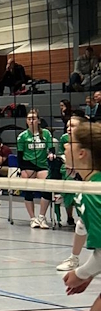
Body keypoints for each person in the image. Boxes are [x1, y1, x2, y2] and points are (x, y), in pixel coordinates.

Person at [53, 119, 101, 311]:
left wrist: (79, 274)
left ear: (82, 153)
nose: (64, 149)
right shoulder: (91, 184)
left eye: (69, 144)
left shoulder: (93, 191)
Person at [57, 114, 87, 272]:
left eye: (73, 125)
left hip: (95, 185)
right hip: (86, 185)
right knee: (82, 223)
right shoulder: (69, 145)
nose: (69, 128)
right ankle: (74, 259)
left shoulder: (90, 145)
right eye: (68, 125)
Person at [18, 109, 54, 229]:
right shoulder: (22, 136)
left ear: (38, 121)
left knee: (48, 186)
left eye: (33, 118)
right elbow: (20, 156)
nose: (31, 121)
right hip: (28, 165)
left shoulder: (46, 133)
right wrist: (22, 170)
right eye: (29, 119)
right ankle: (32, 218)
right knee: (28, 189)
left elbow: (51, 149)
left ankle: (41, 217)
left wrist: (51, 154)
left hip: (42, 165)